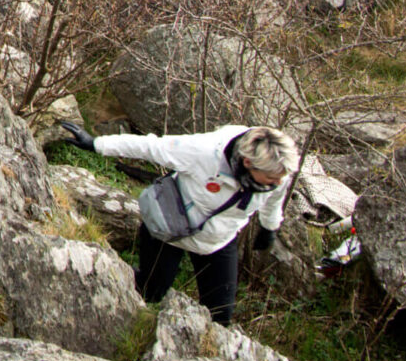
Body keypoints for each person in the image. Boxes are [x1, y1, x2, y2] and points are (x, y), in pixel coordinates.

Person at [60, 121, 297, 325]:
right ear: (247, 163)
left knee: (220, 316)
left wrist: (269, 227)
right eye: (271, 179)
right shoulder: (204, 152)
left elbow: (274, 200)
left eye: (280, 179)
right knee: (151, 290)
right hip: (170, 228)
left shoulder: (277, 171)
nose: (277, 183)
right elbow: (152, 147)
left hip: (217, 242)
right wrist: (96, 144)